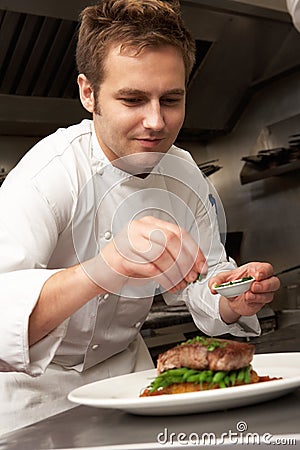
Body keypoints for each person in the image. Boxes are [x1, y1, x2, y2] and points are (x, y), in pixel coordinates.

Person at [0, 0, 280, 435]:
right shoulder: (46, 176)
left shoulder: (183, 172)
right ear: (88, 93)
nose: (156, 122)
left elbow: (203, 280)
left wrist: (232, 296)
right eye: (132, 99)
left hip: (129, 381)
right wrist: (103, 268)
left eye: (171, 99)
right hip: (33, 398)